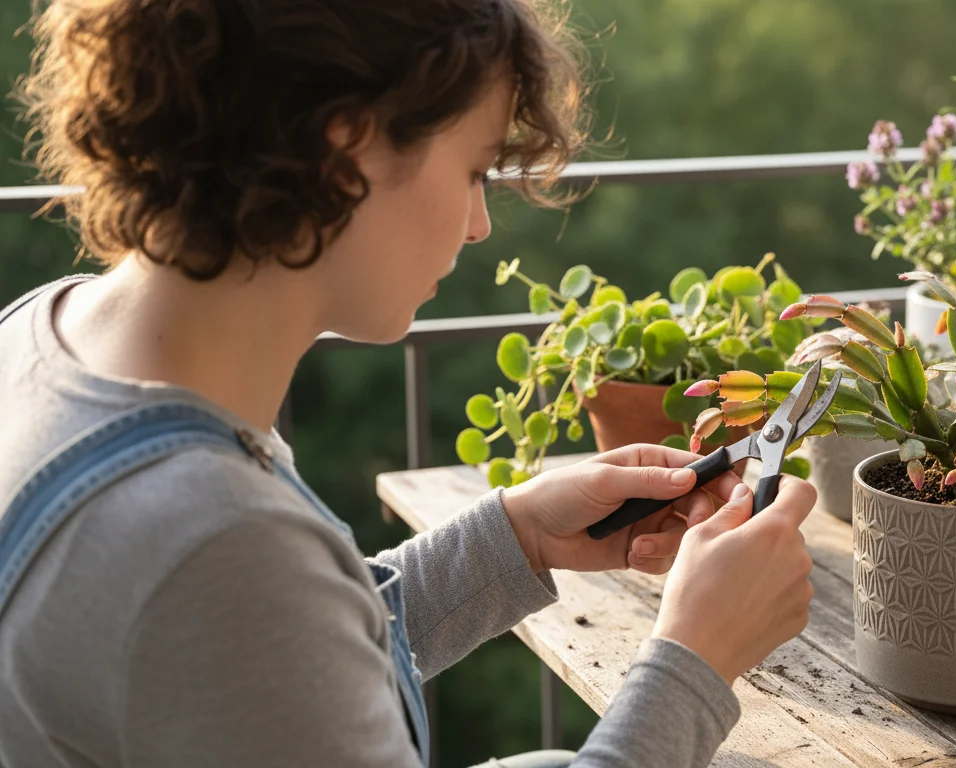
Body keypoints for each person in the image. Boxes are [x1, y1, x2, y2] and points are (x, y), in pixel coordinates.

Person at [0, 0, 819, 766]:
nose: (479, 224)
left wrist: (517, 535)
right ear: (346, 150)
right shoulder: (215, 544)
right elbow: (247, 614)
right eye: (473, 171)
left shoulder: (43, 336)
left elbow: (273, 674)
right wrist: (695, 662)